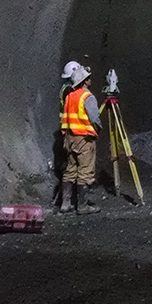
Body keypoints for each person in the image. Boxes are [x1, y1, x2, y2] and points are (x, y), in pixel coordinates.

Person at [59, 61, 102, 215]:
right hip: (83, 138)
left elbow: (65, 117)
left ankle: (65, 204)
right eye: (88, 77)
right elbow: (94, 118)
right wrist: (96, 130)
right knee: (85, 172)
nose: (91, 79)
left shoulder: (70, 96)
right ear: (84, 81)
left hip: (69, 138)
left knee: (70, 170)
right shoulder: (87, 97)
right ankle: (82, 206)